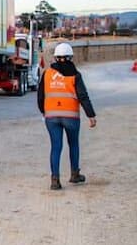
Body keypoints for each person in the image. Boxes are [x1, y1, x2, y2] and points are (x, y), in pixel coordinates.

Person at [37, 43, 97, 190]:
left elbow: (40, 96)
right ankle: (75, 174)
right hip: (71, 117)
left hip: (51, 117)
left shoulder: (47, 74)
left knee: (56, 147)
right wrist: (91, 115)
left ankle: (55, 180)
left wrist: (43, 111)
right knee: (73, 144)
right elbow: (83, 96)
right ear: (70, 57)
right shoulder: (75, 75)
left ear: (56, 58)